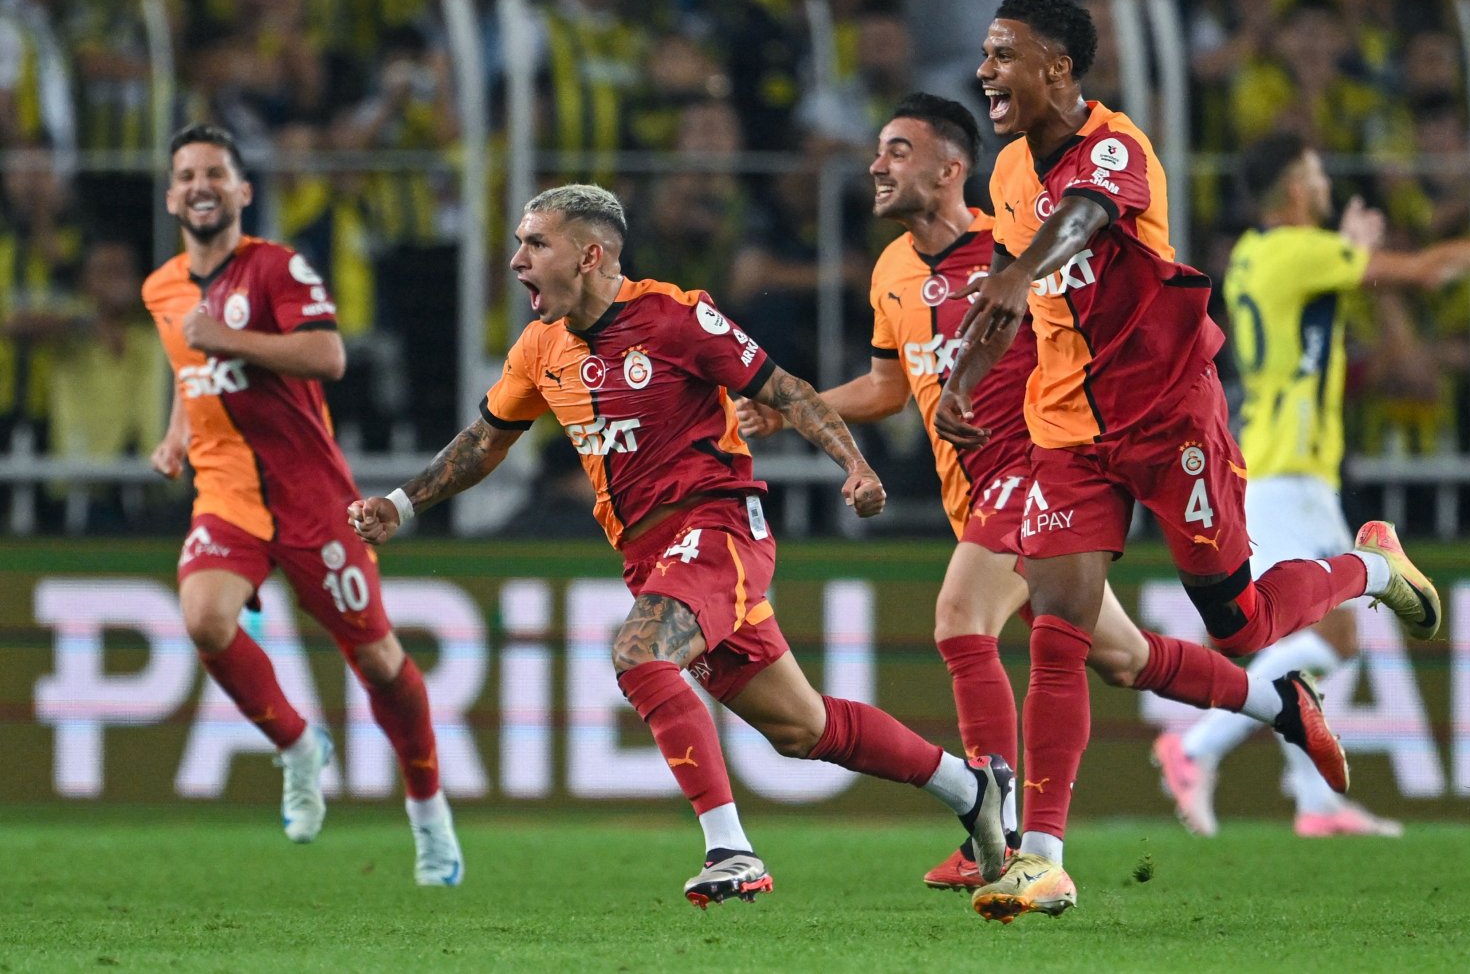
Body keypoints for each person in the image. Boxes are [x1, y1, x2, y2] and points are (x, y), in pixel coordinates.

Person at [736, 92, 1355, 892]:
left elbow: (1086, 323)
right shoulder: (890, 272)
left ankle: (993, 827)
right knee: (1126, 659)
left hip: (1039, 466)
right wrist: (798, 410)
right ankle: (1283, 706)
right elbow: (892, 387)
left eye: (897, 150)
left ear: (951, 168)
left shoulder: (1014, 243)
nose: (876, 166)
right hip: (977, 492)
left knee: (961, 619)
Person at [348, 183, 1013, 907]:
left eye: (535, 244)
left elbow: (783, 389)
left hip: (718, 526)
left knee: (638, 650)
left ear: (590, 253)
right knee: (802, 727)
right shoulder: (540, 349)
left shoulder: (674, 316)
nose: (517, 261)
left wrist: (854, 466)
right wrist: (402, 503)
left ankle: (731, 849)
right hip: (651, 557)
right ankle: (969, 787)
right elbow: (484, 443)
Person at [933, 0, 1441, 922]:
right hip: (1067, 433)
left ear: (1057, 66)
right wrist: (962, 383)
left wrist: (1015, 269)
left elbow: (1083, 219)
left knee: (1240, 626)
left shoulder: (1116, 147)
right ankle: (1042, 857)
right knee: (1060, 629)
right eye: (984, 54)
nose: (985, 72)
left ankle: (1367, 564)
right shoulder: (1007, 173)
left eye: (1003, 55)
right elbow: (1008, 303)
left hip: (1171, 420)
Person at [1155, 132, 1470, 837]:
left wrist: (1346, 247)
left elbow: (1320, 303)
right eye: (1317, 172)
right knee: (1340, 632)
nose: (1325, 182)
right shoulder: (1297, 251)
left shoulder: (1258, 257)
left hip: (1282, 463)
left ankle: (1315, 802)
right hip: (1288, 472)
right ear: (1295, 185)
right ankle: (1194, 746)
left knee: (1334, 632)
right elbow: (1427, 273)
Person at [143, 124, 462, 887]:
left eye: (215, 172)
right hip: (226, 494)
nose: (200, 185)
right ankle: (296, 744)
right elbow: (195, 370)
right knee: (204, 618)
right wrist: (176, 432)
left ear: (243, 190)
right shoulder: (163, 288)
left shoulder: (277, 268)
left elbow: (328, 355)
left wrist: (229, 339)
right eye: (186, 174)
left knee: (382, 666)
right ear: (170, 195)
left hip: (313, 501)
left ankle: (429, 816)